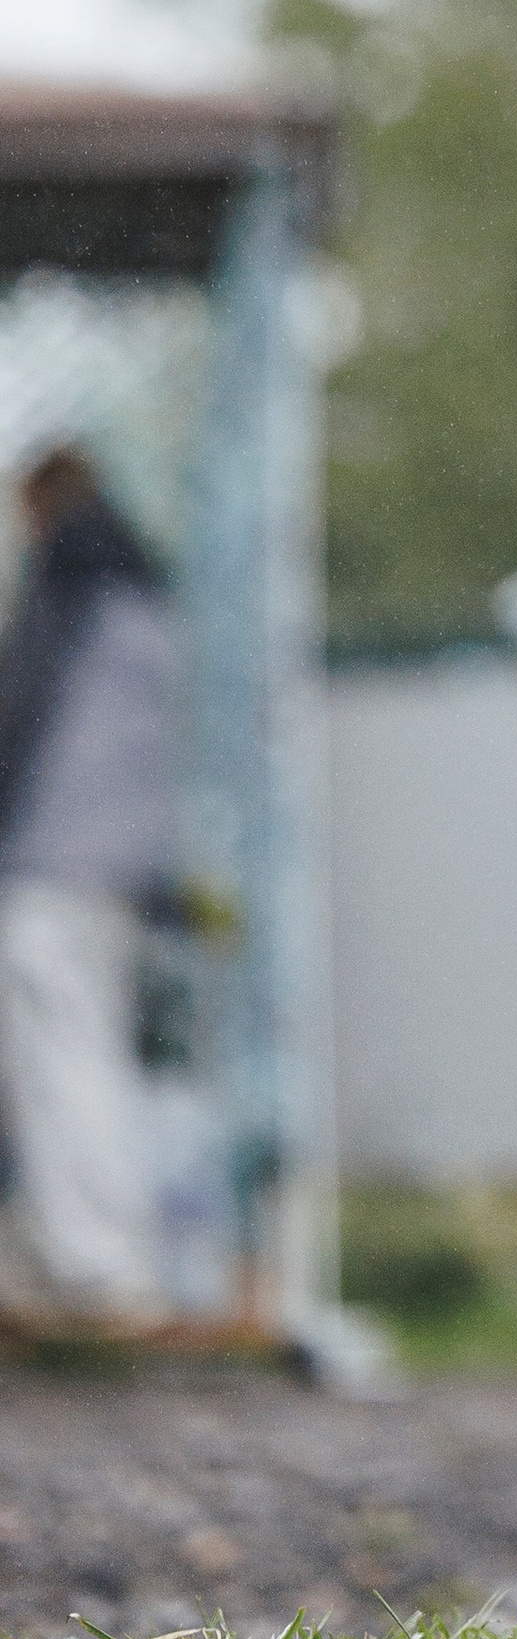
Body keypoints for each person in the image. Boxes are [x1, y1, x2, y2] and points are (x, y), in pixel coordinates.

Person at [0, 446, 179, 1322]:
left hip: (50, 858)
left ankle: (92, 1262)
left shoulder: (67, 586)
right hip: (112, 865)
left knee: (60, 1060)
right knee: (90, 1053)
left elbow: (18, 720)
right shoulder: (141, 587)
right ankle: (103, 1253)